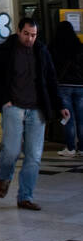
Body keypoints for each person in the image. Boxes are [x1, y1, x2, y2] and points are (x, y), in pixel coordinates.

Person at [0, 16, 70, 210]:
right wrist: (4, 99)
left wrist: (60, 104)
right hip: (13, 106)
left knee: (34, 156)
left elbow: (51, 79)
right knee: (11, 151)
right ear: (18, 31)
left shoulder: (41, 51)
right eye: (26, 34)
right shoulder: (5, 51)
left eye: (33, 35)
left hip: (36, 108)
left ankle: (25, 196)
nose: (30, 39)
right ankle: (5, 176)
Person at [49, 19, 83, 157]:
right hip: (80, 86)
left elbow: (50, 67)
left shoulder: (54, 47)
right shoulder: (79, 46)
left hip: (63, 86)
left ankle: (70, 147)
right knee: (81, 118)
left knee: (68, 117)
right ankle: (82, 148)